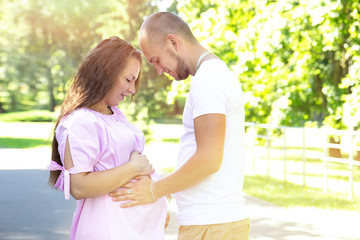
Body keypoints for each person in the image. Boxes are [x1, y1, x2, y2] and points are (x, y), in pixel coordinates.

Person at [110, 12, 250, 240]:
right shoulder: (213, 75)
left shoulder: (208, 81)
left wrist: (154, 192)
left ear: (173, 42)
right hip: (213, 223)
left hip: (212, 226)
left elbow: (208, 160)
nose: (158, 70)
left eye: (155, 60)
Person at [48, 36, 168, 240]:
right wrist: (135, 168)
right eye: (129, 80)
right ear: (106, 72)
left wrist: (157, 195)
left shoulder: (113, 114)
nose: (132, 90)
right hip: (110, 230)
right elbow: (79, 186)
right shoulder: (81, 121)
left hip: (133, 229)